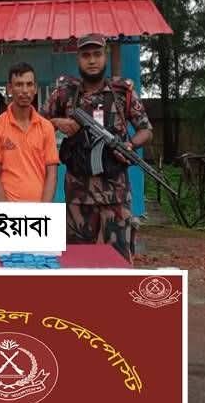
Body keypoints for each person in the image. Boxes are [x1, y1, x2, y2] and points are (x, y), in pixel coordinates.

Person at [43, 34, 153, 262]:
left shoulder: (122, 92)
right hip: (78, 197)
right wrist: (57, 122)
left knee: (118, 261)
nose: (92, 60)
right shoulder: (64, 93)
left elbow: (146, 130)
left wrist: (130, 144)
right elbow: (36, 124)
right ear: (78, 58)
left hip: (116, 195)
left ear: (105, 56)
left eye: (97, 54)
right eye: (86, 55)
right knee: (78, 263)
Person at [0, 62, 59, 202]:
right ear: (9, 88)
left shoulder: (46, 127)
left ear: (35, 88)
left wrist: (43, 210)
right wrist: (7, 212)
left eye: (29, 84)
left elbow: (52, 174)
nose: (25, 90)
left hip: (39, 210)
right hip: (6, 210)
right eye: (19, 84)